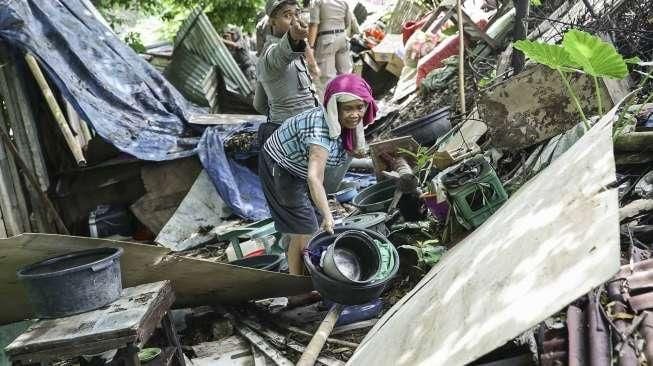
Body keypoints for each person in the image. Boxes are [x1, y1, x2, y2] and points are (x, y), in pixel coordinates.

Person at [259, 74, 378, 275]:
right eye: (348, 108)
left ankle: (301, 277)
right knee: (305, 227)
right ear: (334, 108)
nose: (356, 114)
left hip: (299, 165)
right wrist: (328, 215)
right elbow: (314, 177)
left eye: (360, 107)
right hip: (281, 166)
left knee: (307, 225)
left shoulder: (346, 125)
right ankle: (299, 287)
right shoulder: (320, 132)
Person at [254, 0, 320, 147]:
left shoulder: (297, 52)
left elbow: (258, 104)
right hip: (290, 136)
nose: (295, 20)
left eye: (297, 14)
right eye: (288, 15)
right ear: (272, 21)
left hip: (306, 130)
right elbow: (281, 53)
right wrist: (282, 117)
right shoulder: (271, 53)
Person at [307, 0, 357, 99]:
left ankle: (329, 110)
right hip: (342, 38)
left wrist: (311, 47)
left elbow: (314, 25)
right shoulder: (343, 2)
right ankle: (346, 104)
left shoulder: (316, 1)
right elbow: (347, 22)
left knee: (325, 80)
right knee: (345, 75)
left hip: (326, 40)